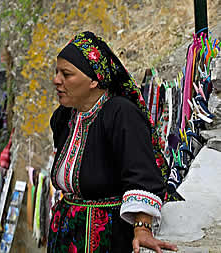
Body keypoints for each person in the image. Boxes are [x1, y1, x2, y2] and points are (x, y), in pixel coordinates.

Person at [48, 31, 178, 253]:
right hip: (67, 232)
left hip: (108, 237)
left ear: (94, 80)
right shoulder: (64, 117)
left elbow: (143, 175)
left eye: (66, 74)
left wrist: (142, 229)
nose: (56, 80)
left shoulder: (121, 114)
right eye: (57, 72)